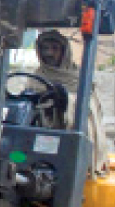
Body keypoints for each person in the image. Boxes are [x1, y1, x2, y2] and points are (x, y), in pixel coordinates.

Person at [34, 30, 108, 174]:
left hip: (70, 137)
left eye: (54, 48)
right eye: (45, 48)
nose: (49, 53)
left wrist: (66, 100)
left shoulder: (80, 78)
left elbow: (89, 110)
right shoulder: (37, 76)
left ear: (65, 52)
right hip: (41, 134)